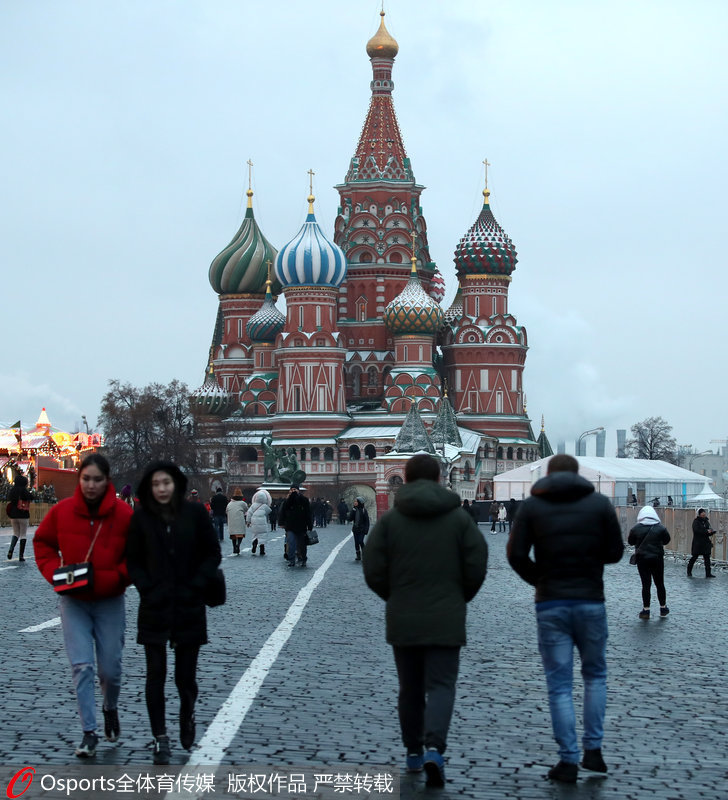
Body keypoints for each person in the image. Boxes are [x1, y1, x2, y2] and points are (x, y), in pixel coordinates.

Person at [363, 454, 487, 788]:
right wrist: (460, 597)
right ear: (438, 478)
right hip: (447, 616)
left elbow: (372, 568)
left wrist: (394, 596)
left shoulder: (390, 521)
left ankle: (414, 753)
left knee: (410, 688)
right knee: (442, 685)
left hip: (404, 617)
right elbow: (477, 564)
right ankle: (435, 748)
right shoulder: (459, 519)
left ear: (406, 478)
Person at [507, 454, 624, 783]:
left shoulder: (532, 506)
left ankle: (568, 759)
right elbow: (615, 552)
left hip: (551, 603)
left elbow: (515, 554)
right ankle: (595, 751)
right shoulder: (600, 505)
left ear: (547, 475)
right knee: (595, 676)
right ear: (577, 474)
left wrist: (540, 580)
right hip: (590, 601)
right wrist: (588, 563)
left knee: (559, 685)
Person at [34, 454, 133, 759]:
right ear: (79, 479)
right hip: (73, 601)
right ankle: (89, 732)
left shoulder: (124, 513)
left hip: (110, 600)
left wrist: (118, 577)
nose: (91, 485)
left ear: (107, 481)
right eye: (86, 479)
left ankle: (110, 706)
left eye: (97, 479)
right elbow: (43, 544)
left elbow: (138, 553)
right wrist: (55, 573)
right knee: (82, 667)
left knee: (110, 669)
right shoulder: (62, 511)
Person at [125, 462, 221, 765]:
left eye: (166, 482)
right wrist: (146, 587)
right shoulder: (141, 518)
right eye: (156, 484)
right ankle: (159, 737)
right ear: (150, 488)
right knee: (155, 675)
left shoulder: (194, 514)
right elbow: (134, 560)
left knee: (184, 677)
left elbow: (212, 553)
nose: (162, 489)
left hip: (189, 606)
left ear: (176, 484)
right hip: (154, 607)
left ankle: (187, 712)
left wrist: (196, 584)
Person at [628, 506, 671, 618]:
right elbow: (667, 540)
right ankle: (663, 607)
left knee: (646, 584)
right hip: (657, 559)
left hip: (642, 560)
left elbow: (631, 542)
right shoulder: (661, 528)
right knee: (660, 583)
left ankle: (646, 610)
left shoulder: (636, 529)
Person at [278, 484, 313, 567]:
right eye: (292, 489)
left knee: (302, 544)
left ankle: (303, 558)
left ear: (298, 490)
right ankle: (291, 560)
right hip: (290, 526)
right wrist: (282, 523)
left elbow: (308, 513)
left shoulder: (304, 500)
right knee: (291, 543)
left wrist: (309, 525)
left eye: (295, 489)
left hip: (301, 526)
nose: (293, 491)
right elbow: (282, 511)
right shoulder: (287, 500)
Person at [7, 474, 32, 561]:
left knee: (15, 533)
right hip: (23, 514)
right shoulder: (24, 491)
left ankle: (11, 549)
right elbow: (31, 497)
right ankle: (21, 556)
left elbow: (9, 499)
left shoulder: (13, 490)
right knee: (23, 534)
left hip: (13, 515)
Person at [688, 508, 716, 578]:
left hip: (706, 543)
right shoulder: (696, 521)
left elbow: (709, 529)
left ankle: (708, 573)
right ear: (699, 514)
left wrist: (711, 532)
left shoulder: (706, 521)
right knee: (694, 557)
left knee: (707, 558)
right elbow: (696, 531)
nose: (704, 515)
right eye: (702, 514)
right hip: (698, 543)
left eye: (704, 514)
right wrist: (706, 531)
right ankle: (689, 571)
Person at [247, 489, 272, 556]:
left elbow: (249, 513)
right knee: (262, 536)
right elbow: (269, 511)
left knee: (255, 535)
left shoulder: (253, 506)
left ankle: (254, 543)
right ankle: (262, 550)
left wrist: (248, 521)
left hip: (254, 522)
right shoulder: (264, 506)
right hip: (262, 523)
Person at [348, 496, 370, 561]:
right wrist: (352, 510)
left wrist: (366, 530)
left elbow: (367, 521)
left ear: (359, 502)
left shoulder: (364, 510)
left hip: (362, 529)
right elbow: (350, 519)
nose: (354, 502)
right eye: (354, 501)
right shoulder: (354, 510)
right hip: (355, 529)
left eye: (356, 501)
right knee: (356, 543)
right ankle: (358, 555)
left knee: (360, 541)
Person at [226, 489, 248, 555]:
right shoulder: (242, 503)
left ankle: (234, 547)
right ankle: (238, 545)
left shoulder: (229, 504)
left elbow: (226, 511)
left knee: (233, 535)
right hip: (240, 520)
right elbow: (246, 509)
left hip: (231, 520)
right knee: (240, 534)